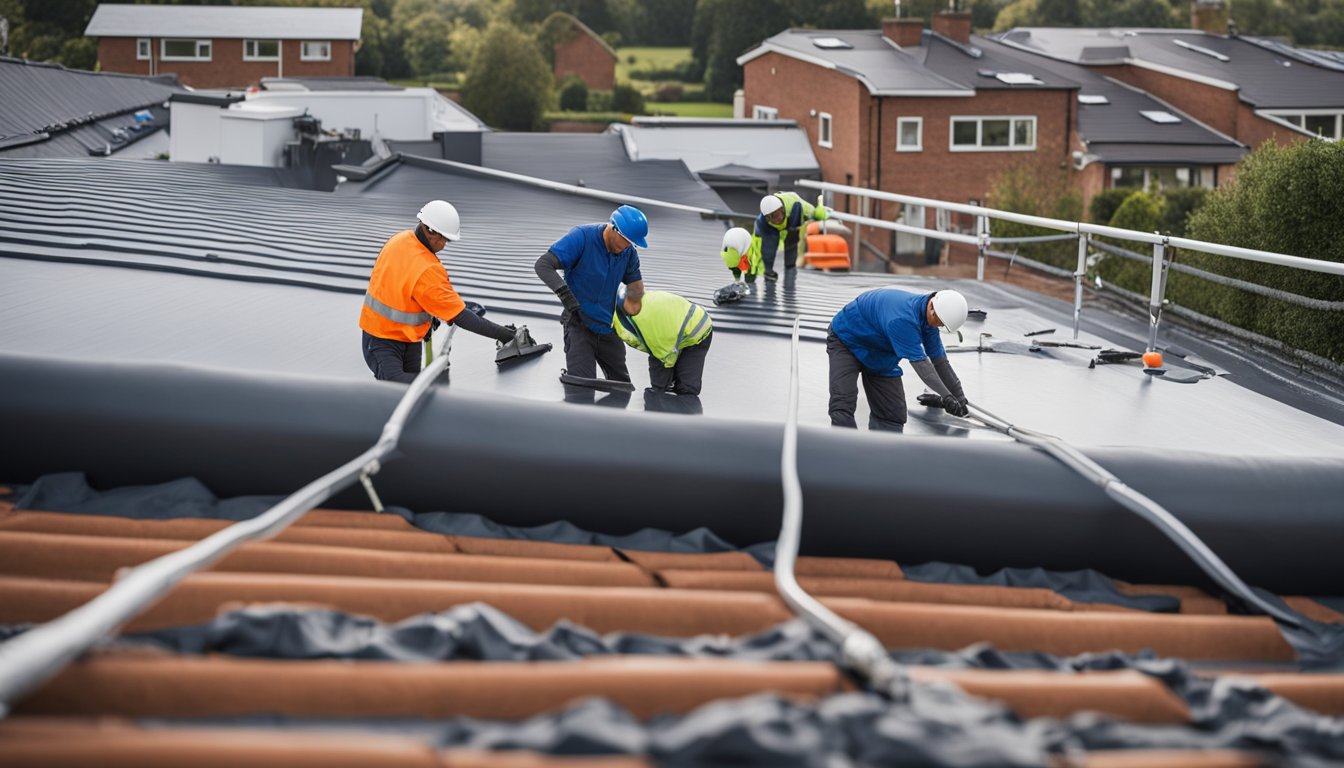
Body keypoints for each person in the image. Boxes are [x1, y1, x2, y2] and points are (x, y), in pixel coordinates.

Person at [359, 200, 530, 383]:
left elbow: (399, 287)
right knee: (403, 388)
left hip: (403, 338)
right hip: (383, 342)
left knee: (412, 391)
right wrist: (507, 336)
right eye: (444, 240)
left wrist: (428, 314)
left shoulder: (399, 239)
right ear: (431, 231)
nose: (443, 245)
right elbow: (461, 316)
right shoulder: (427, 269)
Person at [827, 288, 971, 431]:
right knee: (842, 405)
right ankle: (847, 451)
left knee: (893, 415)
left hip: (880, 354)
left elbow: (940, 361)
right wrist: (946, 396)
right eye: (939, 322)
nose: (938, 326)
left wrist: (959, 397)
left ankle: (881, 452)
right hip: (847, 342)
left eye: (941, 325)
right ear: (932, 307)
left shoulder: (930, 319)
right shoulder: (903, 319)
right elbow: (922, 366)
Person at [535, 205, 648, 383]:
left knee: (621, 386)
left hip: (608, 328)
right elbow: (543, 265)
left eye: (632, 243)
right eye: (625, 240)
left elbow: (635, 285)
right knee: (581, 385)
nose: (628, 245)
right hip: (579, 323)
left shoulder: (629, 253)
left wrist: (634, 305)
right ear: (613, 228)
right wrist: (567, 297)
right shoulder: (582, 237)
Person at [612, 289, 713, 396]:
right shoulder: (623, 307)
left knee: (685, 388)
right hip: (677, 327)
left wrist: (661, 387)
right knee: (663, 384)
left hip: (696, 333)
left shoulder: (647, 324)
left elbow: (664, 356)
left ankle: (679, 396)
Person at [755, 191, 828, 285]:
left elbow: (812, 213)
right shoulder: (762, 221)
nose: (775, 220)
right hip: (774, 227)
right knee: (768, 246)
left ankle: (790, 266)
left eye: (776, 215)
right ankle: (768, 272)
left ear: (781, 209)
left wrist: (819, 213)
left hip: (793, 218)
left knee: (792, 238)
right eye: (770, 217)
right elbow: (762, 243)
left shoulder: (796, 206)